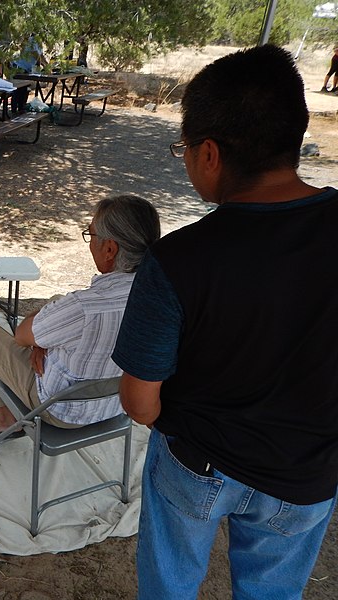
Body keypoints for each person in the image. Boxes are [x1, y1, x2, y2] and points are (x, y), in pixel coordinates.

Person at [112, 45, 338, 599]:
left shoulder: (178, 261)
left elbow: (141, 402)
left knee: (170, 585)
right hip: (308, 474)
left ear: (209, 153)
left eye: (183, 150)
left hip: (197, 463)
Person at [0, 195, 160, 437]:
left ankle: (3, 417)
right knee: (57, 301)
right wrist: (42, 342)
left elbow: (21, 336)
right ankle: (43, 340)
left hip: (60, 411)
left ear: (110, 249)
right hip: (117, 405)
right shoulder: (163, 298)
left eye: (91, 235)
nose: (90, 242)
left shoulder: (83, 307)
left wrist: (39, 340)